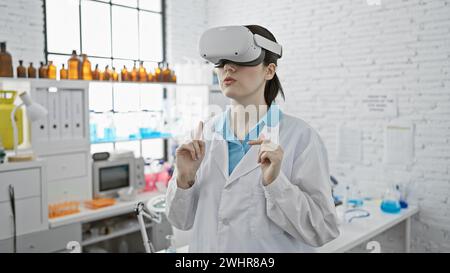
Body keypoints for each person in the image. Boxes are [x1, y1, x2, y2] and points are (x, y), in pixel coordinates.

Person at [165, 25, 339, 252]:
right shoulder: (202, 136)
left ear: (269, 70)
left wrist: (276, 184)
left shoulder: (301, 138)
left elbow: (322, 230)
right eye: (221, 62)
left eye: (242, 59)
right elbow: (180, 221)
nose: (228, 68)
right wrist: (184, 178)